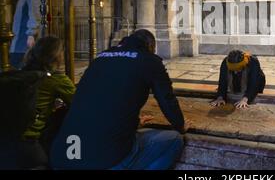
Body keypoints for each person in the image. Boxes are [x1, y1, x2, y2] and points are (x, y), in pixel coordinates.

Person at [50, 29, 186, 170]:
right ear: (151, 47)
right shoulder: (149, 60)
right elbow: (167, 99)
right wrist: (180, 125)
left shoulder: (99, 59)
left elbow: (100, 102)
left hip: (62, 157)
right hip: (104, 160)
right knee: (174, 140)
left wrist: (135, 122)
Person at [0, 36, 75, 169]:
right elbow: (77, 103)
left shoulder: (21, 74)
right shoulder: (57, 79)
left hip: (6, 143)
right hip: (29, 148)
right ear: (57, 57)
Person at [9, 0, 40, 69]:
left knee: (21, 63)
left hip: (25, 37)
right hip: (18, 36)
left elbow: (34, 13)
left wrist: (31, 34)